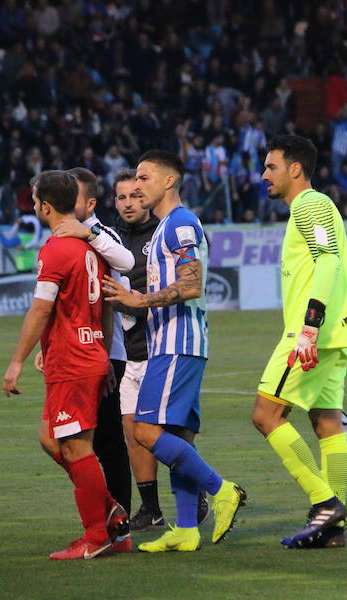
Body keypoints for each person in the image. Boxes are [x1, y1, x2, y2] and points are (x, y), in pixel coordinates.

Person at [103, 150, 247, 553]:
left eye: (145, 178)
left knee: (144, 431)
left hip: (176, 343)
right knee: (175, 434)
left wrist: (138, 300)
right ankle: (186, 528)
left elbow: (192, 284)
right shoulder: (169, 224)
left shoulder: (180, 224)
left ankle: (221, 490)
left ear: (168, 181)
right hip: (176, 342)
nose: (138, 185)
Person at [1, 170, 127, 560]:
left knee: (77, 449)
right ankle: (111, 513)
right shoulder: (91, 247)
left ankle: (96, 535)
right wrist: (101, 350)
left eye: (34, 199)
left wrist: (16, 362)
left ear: (45, 205)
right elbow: (103, 304)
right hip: (81, 355)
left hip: (73, 362)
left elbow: (40, 310)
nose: (33, 204)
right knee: (51, 439)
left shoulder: (57, 249)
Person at [251, 134, 347, 549]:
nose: (264, 175)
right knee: (326, 422)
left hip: (310, 335)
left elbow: (327, 260)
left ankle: (324, 502)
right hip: (335, 334)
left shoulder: (311, 204)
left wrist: (309, 327)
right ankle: (334, 529)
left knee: (266, 415)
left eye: (271, 166)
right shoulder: (310, 209)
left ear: (295, 169)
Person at [47, 167, 135, 550]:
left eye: (75, 198)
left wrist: (105, 353)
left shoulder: (99, 236)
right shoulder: (69, 237)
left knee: (108, 443)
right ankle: (112, 516)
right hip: (83, 350)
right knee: (71, 442)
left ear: (89, 203)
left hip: (105, 352)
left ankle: (118, 527)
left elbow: (119, 286)